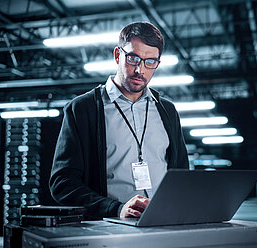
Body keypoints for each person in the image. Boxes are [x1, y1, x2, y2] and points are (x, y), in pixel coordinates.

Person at [49, 21, 189, 219]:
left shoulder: (167, 110)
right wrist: (115, 208)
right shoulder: (83, 109)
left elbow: (181, 174)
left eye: (150, 62)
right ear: (117, 55)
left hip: (163, 223)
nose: (140, 70)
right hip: (109, 226)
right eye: (133, 58)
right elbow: (62, 183)